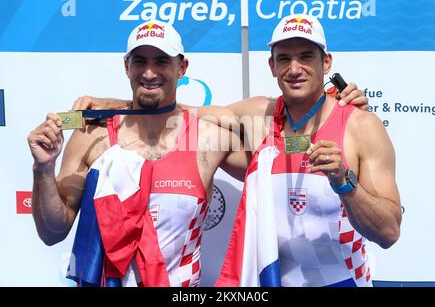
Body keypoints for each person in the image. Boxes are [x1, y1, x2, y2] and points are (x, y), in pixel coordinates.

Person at [70, 15, 395, 287]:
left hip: (341, 281)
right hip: (269, 281)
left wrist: (345, 181)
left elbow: (389, 232)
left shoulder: (360, 126)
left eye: (306, 56)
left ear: (326, 62)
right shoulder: (261, 115)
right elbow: (181, 112)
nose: (294, 68)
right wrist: (115, 105)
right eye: (284, 58)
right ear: (271, 65)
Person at [27, 19, 249, 287]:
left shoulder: (208, 140)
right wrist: (43, 169)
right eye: (140, 61)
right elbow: (53, 232)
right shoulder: (92, 137)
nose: (149, 72)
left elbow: (266, 136)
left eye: (161, 61)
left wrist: (121, 105)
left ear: (182, 68)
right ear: (126, 67)